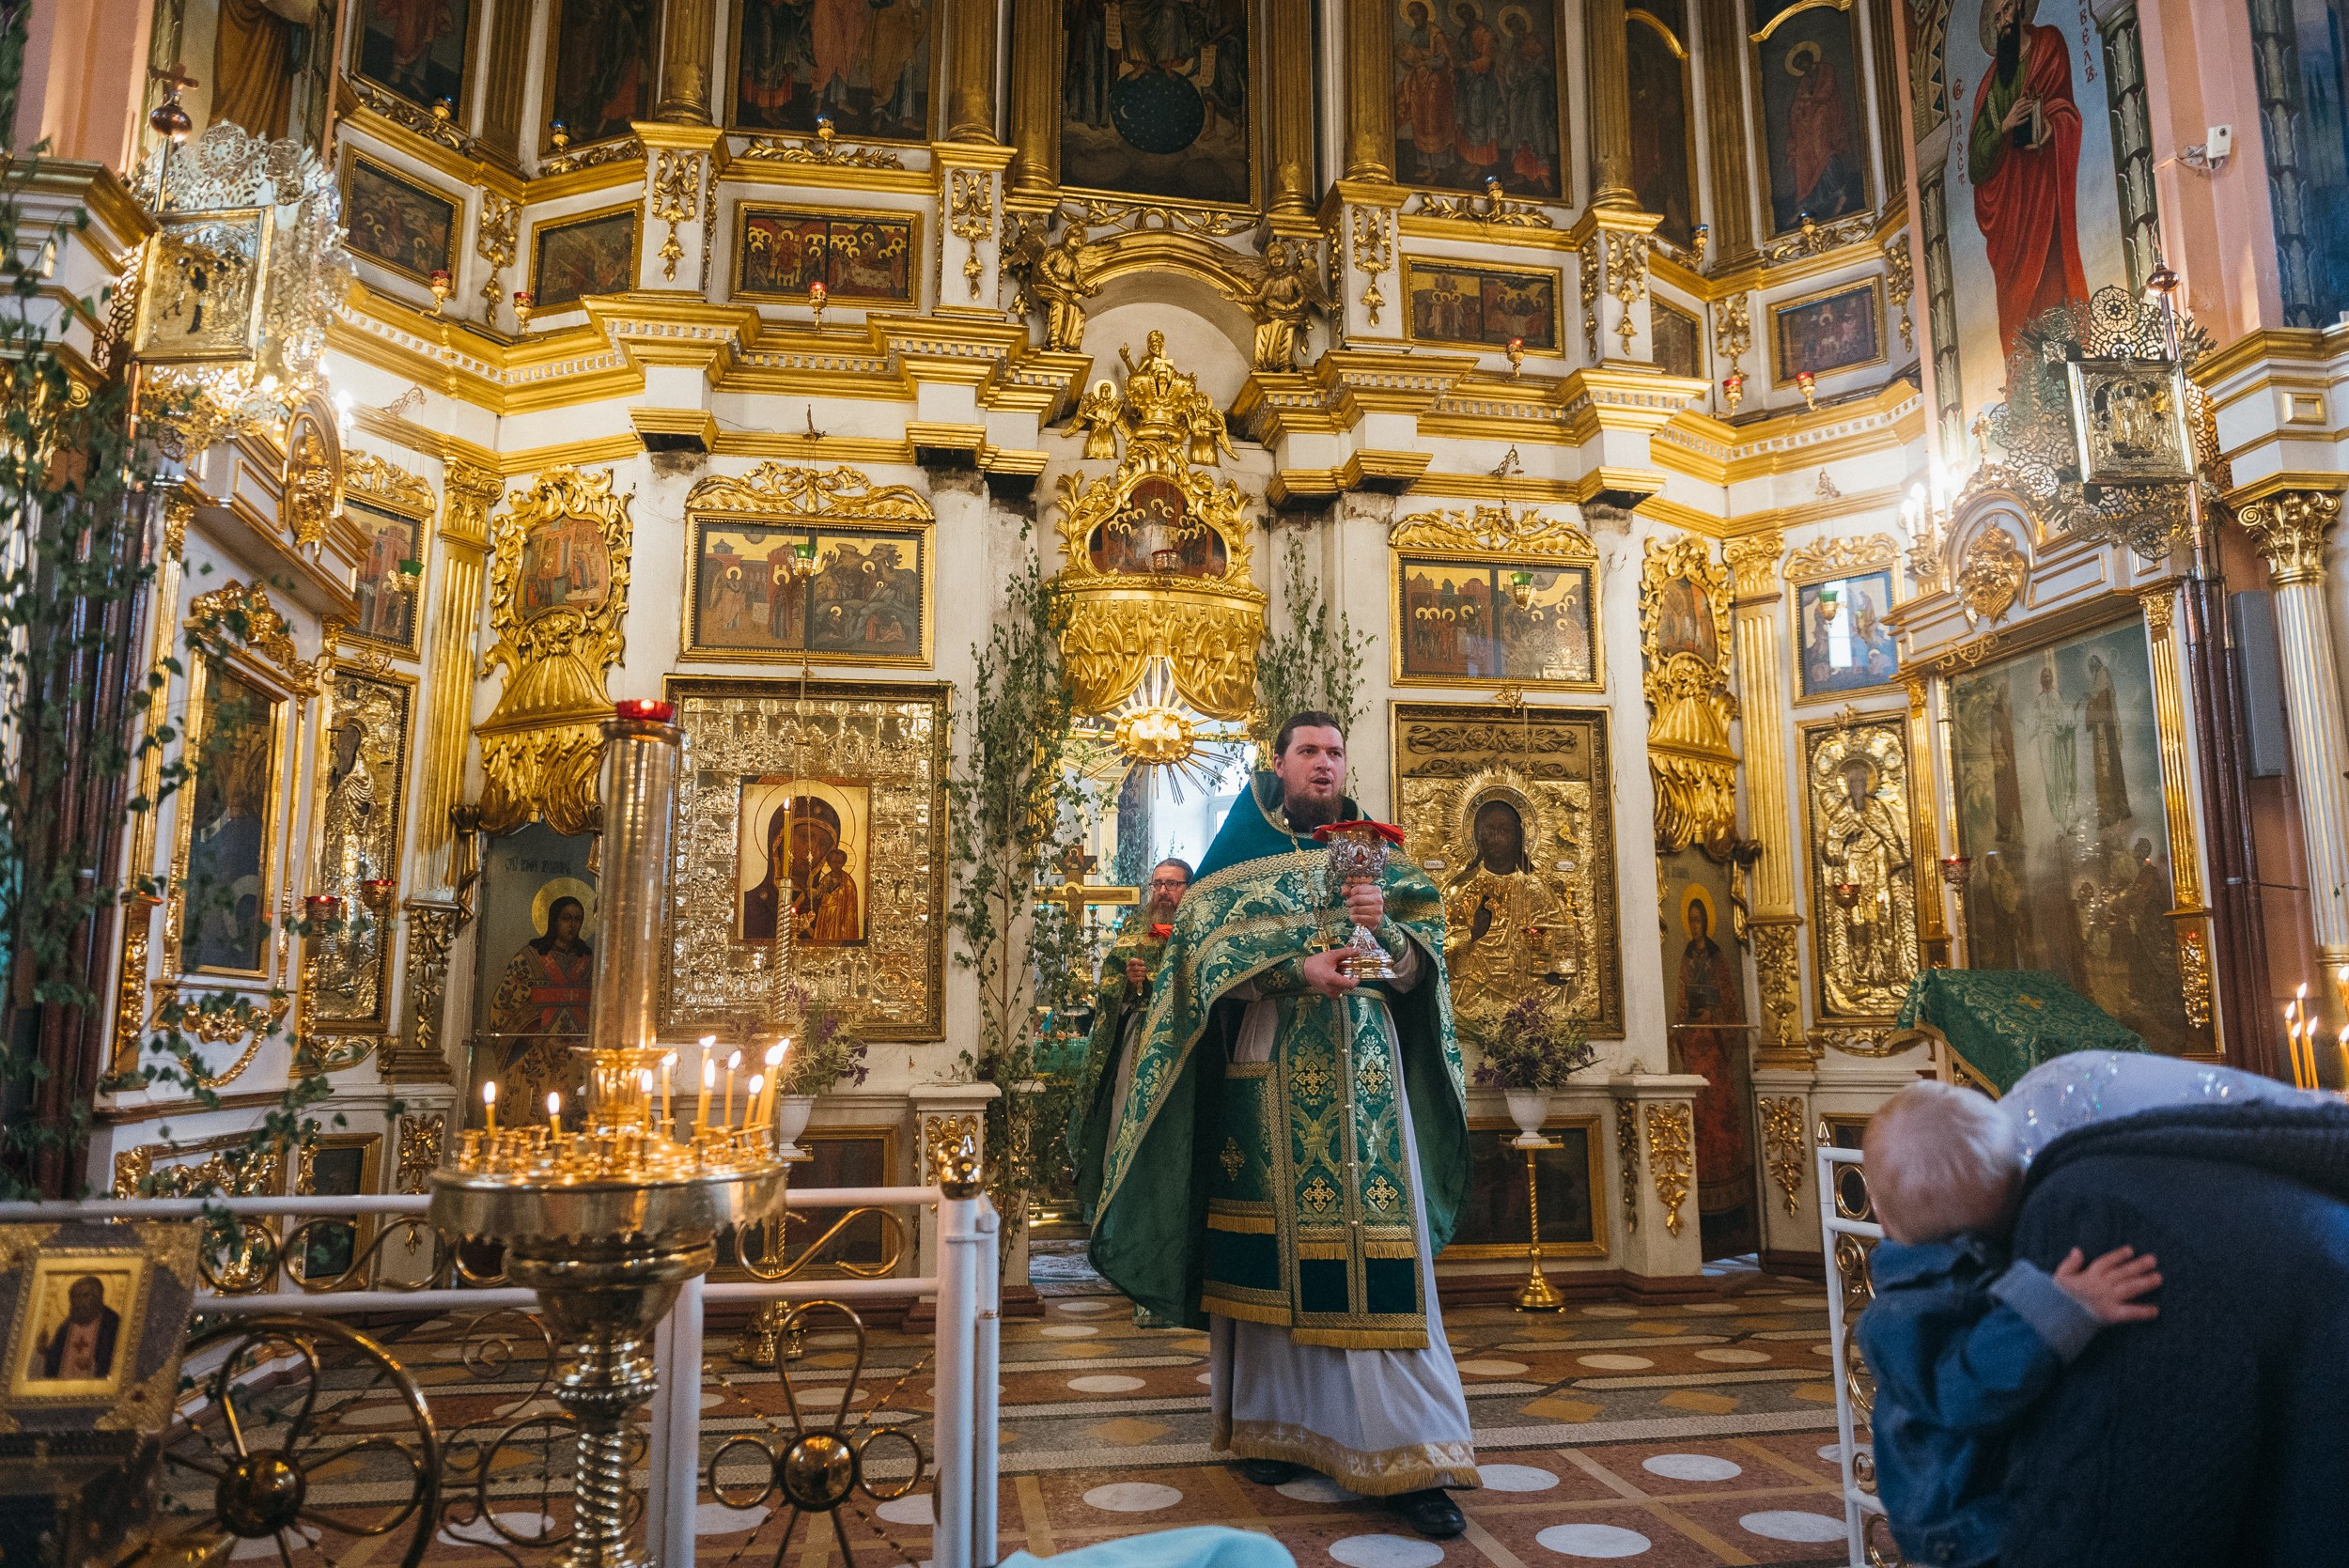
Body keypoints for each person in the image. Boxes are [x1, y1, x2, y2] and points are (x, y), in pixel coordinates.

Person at [1090, 712, 1477, 1539]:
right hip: (1266, 1069)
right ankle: (1272, 1426)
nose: (1324, 764)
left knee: (1378, 1256)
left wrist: (1387, 929)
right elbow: (1199, 965)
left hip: (1366, 1083)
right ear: (1278, 763)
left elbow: (1425, 966)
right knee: (1264, 1261)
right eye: (1308, 751)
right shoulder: (1237, 857)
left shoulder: (1383, 859)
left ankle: (1412, 1452)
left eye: (1335, 751)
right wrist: (1296, 966)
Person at [1857, 1082, 2164, 1568]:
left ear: (1880, 1215)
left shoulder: (1977, 1268)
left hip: (1995, 1510)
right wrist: (2060, 1305)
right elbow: (1964, 1394)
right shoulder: (1894, 1319)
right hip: (1964, 1526)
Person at [1071, 859, 1192, 1219]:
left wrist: (1154, 982)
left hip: (1186, 1038)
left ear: (1188, 888)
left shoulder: (1198, 929)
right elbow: (1109, 987)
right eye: (1157, 884)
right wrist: (1128, 982)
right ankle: (1120, 1204)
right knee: (1124, 1111)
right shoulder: (1135, 928)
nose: (1163, 892)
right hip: (1139, 1037)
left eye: (1172, 884)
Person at [491, 894, 595, 1119]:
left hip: (577, 1060)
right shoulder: (529, 959)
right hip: (536, 1056)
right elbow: (504, 1007)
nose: (572, 925)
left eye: (578, 919)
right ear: (554, 920)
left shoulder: (591, 962)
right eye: (566, 918)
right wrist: (538, 1038)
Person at [37, 1275, 121, 1380]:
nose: (79, 1301)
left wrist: (94, 1365)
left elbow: (117, 1358)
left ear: (97, 1297)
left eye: (85, 1295)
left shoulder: (111, 1322)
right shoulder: (66, 1327)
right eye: (76, 1296)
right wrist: (44, 1350)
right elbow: (55, 1359)